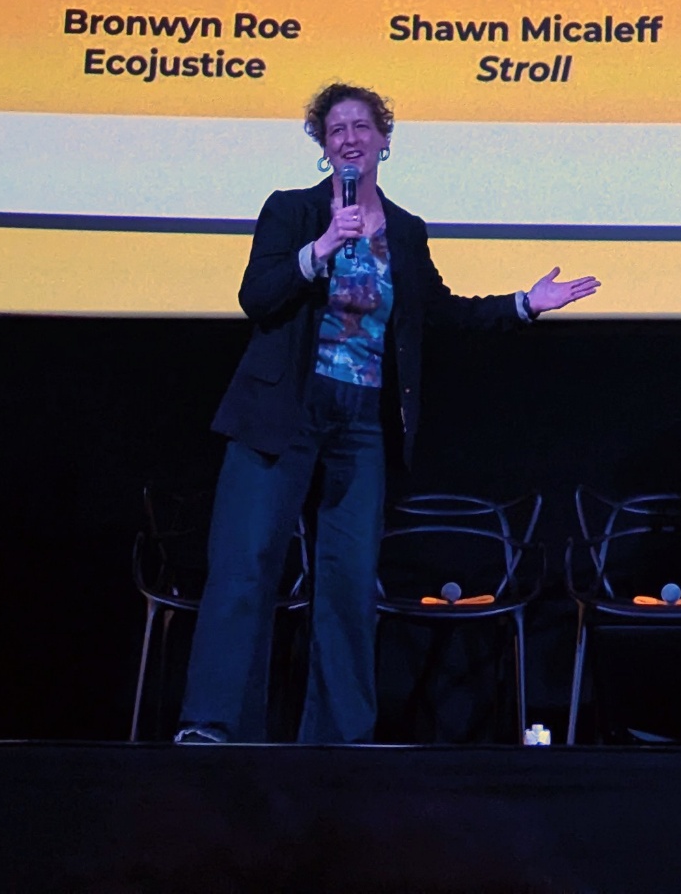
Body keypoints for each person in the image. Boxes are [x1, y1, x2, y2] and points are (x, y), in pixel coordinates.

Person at [174, 82, 599, 744]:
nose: (349, 139)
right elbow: (257, 297)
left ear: (383, 140)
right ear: (323, 146)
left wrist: (523, 303)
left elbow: (442, 312)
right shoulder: (292, 211)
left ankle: (338, 738)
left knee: (348, 583)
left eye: (361, 127)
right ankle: (214, 725)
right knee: (246, 565)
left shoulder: (404, 230)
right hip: (283, 411)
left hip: (362, 421)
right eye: (336, 130)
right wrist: (321, 247)